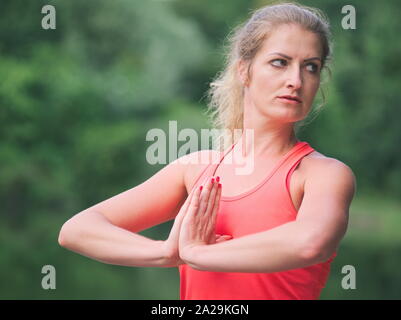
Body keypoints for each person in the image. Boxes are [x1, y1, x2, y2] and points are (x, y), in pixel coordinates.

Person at [58, 2, 356, 300]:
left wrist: (198, 254)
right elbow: (77, 230)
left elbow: (311, 243)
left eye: (311, 67)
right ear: (244, 70)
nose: (296, 81)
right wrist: (165, 252)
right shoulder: (195, 170)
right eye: (280, 62)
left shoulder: (323, 175)